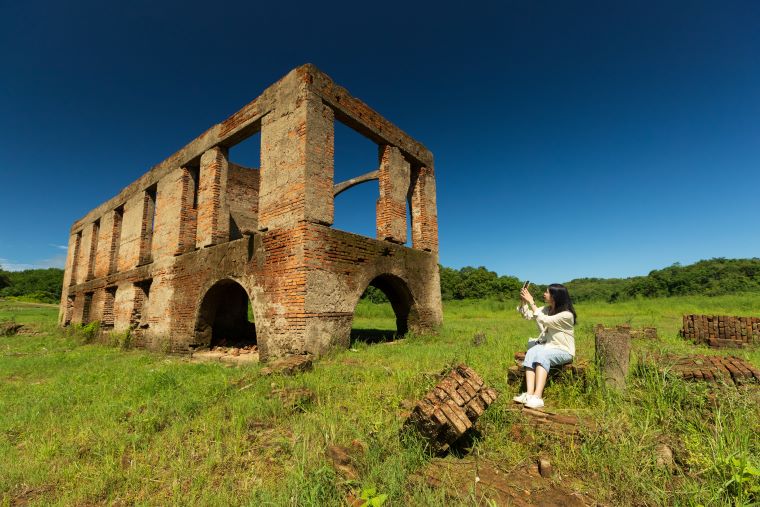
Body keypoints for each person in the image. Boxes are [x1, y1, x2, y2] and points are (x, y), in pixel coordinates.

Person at [512, 284, 577, 409]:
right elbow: (528, 315)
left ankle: (538, 397)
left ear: (555, 296)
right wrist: (524, 301)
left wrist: (532, 301)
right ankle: (529, 394)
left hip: (564, 350)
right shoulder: (546, 309)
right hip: (548, 346)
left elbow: (545, 320)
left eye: (547, 292)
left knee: (542, 355)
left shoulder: (566, 315)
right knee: (532, 351)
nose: (544, 294)